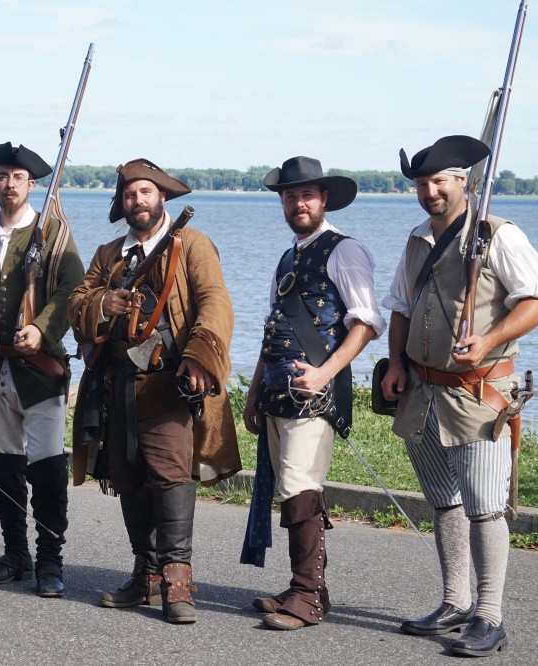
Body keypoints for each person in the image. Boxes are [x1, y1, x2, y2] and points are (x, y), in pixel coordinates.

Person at [380, 135, 538, 657]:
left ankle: (489, 616)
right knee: (444, 500)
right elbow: (400, 306)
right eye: (422, 184)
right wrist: (396, 363)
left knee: (486, 508)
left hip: (479, 394)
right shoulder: (416, 239)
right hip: (422, 390)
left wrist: (488, 340)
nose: (430, 192)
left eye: (439, 181)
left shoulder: (499, 235)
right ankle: (455, 602)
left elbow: (533, 301)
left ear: (462, 182)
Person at [68, 159, 238, 624]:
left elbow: (215, 302)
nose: (137, 200)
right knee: (127, 476)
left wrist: (200, 356)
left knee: (170, 476)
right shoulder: (109, 254)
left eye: (145, 192)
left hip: (170, 384)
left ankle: (177, 581)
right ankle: (145, 575)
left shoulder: (193, 244)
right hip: (117, 384)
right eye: (129, 195)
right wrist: (104, 302)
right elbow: (76, 302)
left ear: (162, 197)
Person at [241, 156, 384, 631]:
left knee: (301, 486)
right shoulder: (287, 258)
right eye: (290, 196)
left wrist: (324, 375)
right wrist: (254, 392)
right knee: (290, 487)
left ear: (324, 199)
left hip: (316, 396)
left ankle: (306, 596)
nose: (298, 203)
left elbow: (366, 323)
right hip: (277, 393)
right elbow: (273, 330)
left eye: (306, 195)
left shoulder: (346, 251)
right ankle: (307, 587)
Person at [0, 142, 84, 598]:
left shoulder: (53, 234)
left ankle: (50, 560)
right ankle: (15, 554)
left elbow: (72, 290)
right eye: (1, 177)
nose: (8, 184)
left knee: (47, 467)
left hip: (38, 369)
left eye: (16, 177)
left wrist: (41, 328)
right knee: (3, 465)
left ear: (31, 184)